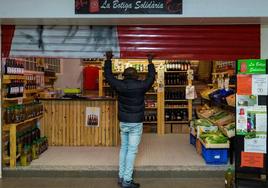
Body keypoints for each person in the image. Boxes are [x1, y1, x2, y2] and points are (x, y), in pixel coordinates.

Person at [104, 51, 156, 188]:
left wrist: (108, 59)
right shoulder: (141, 86)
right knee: (132, 151)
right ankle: (127, 181)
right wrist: (150, 62)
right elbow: (151, 77)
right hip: (136, 122)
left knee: (124, 148)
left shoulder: (119, 85)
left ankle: (121, 176)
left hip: (123, 121)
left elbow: (108, 76)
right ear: (136, 75)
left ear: (124, 76)